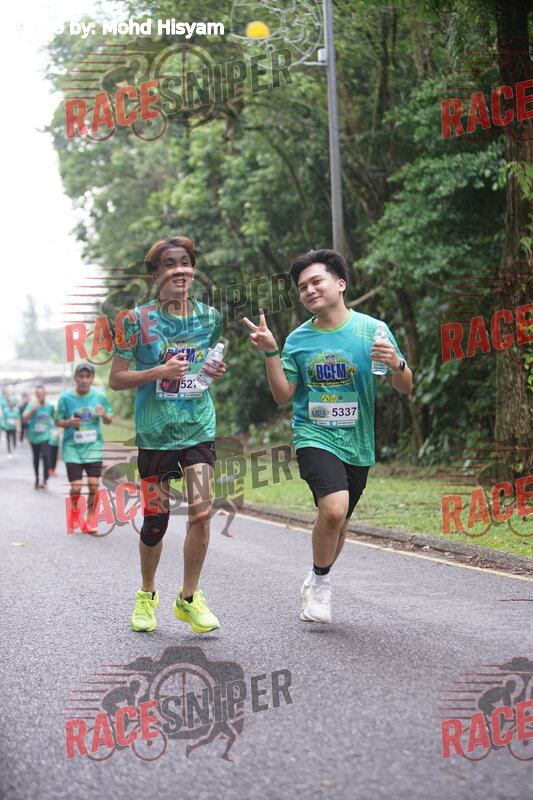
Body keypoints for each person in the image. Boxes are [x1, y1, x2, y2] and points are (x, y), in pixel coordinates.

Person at [244, 249, 413, 624]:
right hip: (313, 435)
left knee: (340, 521)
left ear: (340, 283)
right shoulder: (299, 340)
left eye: (316, 281)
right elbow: (283, 396)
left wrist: (397, 364)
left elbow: (405, 385)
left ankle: (314, 578)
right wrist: (271, 353)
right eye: (303, 287)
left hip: (358, 442)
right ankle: (321, 585)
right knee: (334, 509)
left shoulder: (372, 330)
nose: (309, 290)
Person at [109, 235, 226, 634]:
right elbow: (117, 379)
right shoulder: (133, 321)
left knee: (201, 513)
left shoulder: (210, 318)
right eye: (170, 265)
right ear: (155, 275)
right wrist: (159, 371)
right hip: (155, 433)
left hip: (197, 427)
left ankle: (189, 598)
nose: (180, 270)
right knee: (155, 521)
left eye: (186, 263)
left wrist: (211, 371)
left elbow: (203, 368)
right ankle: (147, 594)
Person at [56, 363, 113, 534]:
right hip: (72, 447)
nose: (84, 380)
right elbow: (57, 420)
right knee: (76, 487)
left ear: (92, 378)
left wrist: (104, 414)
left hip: (93, 447)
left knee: (94, 485)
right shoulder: (65, 398)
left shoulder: (99, 396)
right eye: (81, 376)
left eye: (88, 376)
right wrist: (69, 422)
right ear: (75, 378)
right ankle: (75, 511)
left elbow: (109, 419)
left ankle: (90, 519)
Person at [23, 386, 55, 489]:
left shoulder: (50, 406)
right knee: (36, 457)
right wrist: (32, 410)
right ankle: (37, 477)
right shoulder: (31, 405)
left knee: (45, 455)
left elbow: (55, 418)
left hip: (45, 435)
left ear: (45, 394)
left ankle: (45, 479)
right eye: (38, 393)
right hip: (34, 436)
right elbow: (25, 418)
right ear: (36, 395)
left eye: (42, 392)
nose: (40, 394)